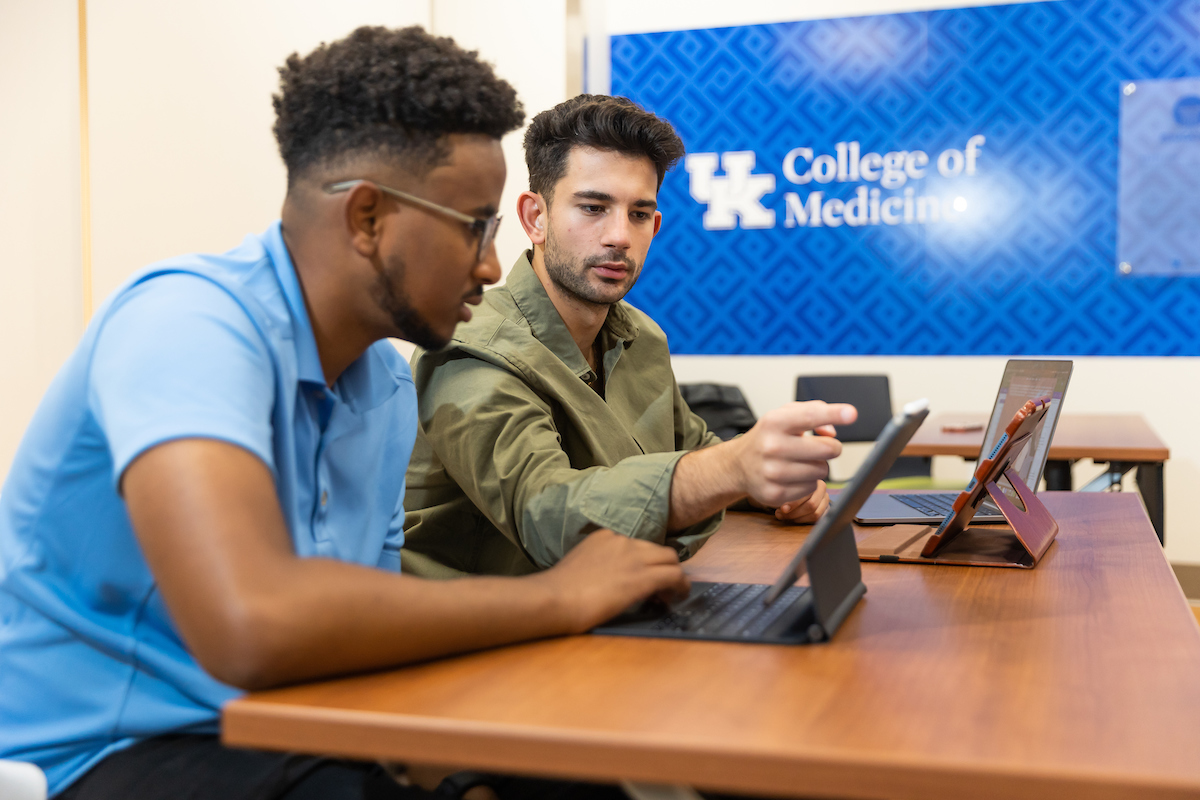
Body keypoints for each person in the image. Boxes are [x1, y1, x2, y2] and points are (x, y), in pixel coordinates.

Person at [0, 28, 691, 800]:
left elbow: (366, 632)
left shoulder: (383, 387)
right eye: (475, 226)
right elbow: (251, 624)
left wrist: (464, 773)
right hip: (105, 752)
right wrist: (558, 597)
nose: (493, 265)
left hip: (288, 727)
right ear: (367, 219)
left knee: (571, 779)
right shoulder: (187, 325)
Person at [402, 95, 856, 579]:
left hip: (621, 610)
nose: (619, 235)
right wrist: (731, 469)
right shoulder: (469, 347)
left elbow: (697, 452)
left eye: (639, 214)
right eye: (594, 208)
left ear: (655, 226)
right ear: (536, 218)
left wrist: (770, 476)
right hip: (488, 635)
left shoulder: (640, 335)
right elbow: (547, 517)